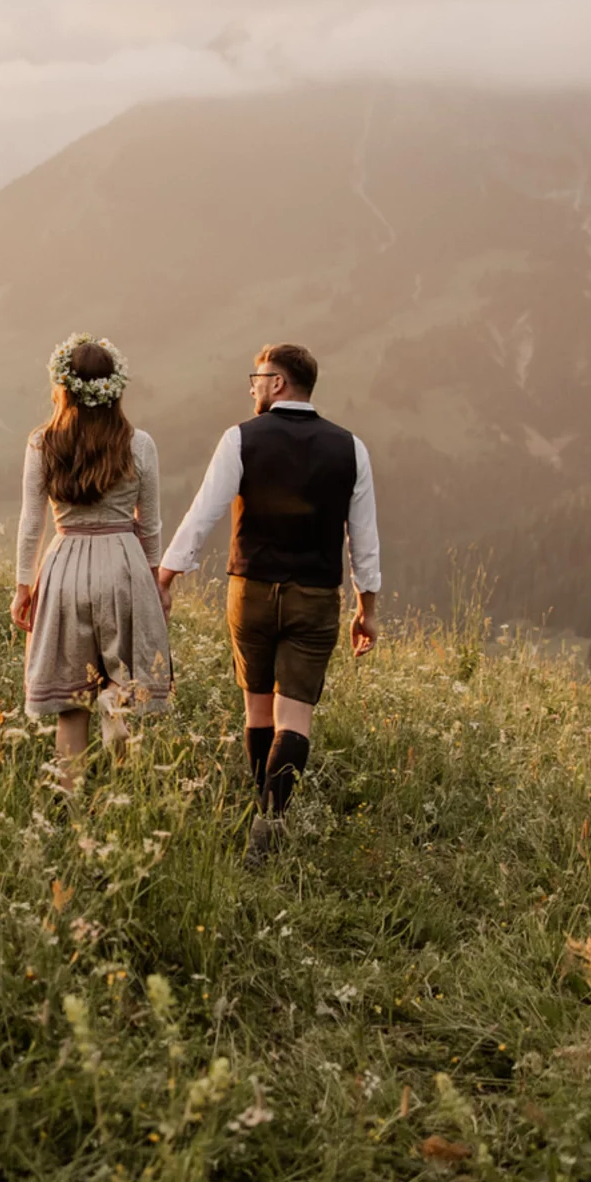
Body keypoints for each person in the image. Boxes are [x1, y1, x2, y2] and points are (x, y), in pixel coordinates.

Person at [156, 342, 379, 867]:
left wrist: (167, 574)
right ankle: (271, 818)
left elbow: (204, 511)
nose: (252, 386)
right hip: (316, 596)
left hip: (250, 590)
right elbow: (363, 540)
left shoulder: (241, 438)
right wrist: (367, 607)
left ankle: (260, 803)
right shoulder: (352, 448)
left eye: (257, 377)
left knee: (257, 707)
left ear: (278, 382)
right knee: (294, 716)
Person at [12, 335, 173, 793]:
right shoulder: (139, 445)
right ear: (115, 388)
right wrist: (157, 577)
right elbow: (152, 521)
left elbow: (30, 522)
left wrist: (23, 585)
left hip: (64, 566)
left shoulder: (43, 443)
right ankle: (122, 791)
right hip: (123, 562)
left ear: (62, 387)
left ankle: (73, 800)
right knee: (121, 687)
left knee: (69, 701)